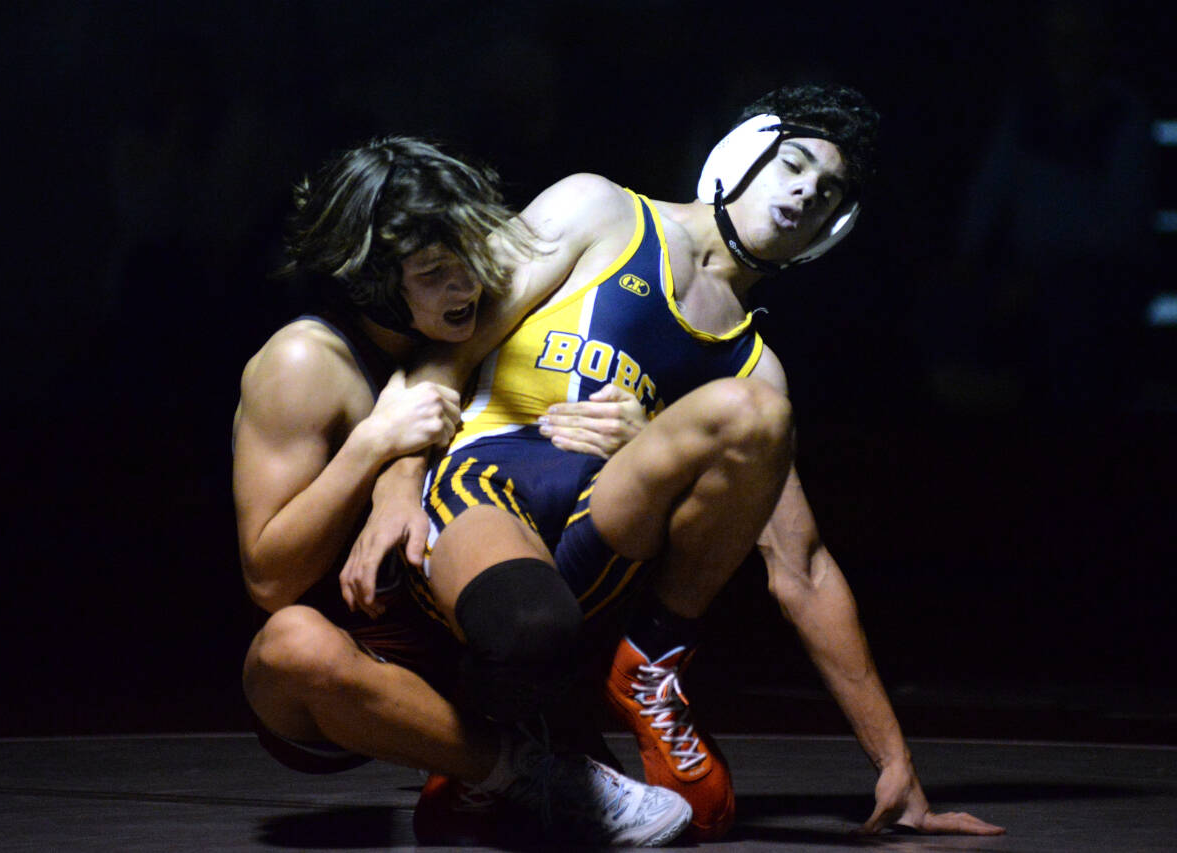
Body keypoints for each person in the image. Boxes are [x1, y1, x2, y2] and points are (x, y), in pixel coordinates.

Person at [346, 86, 1005, 841]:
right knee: (529, 626)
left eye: (828, 194)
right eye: (793, 165)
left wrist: (895, 763)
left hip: (603, 537)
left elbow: (803, 567)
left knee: (757, 411)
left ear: (835, 230)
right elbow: (443, 348)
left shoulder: (755, 369)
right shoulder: (599, 211)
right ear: (740, 152)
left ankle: (648, 662)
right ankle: (504, 736)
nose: (805, 195)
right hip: (488, 486)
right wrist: (395, 486)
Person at [234, 136, 693, 846]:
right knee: (289, 646)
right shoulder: (305, 364)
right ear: (372, 281)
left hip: (480, 633)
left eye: (473, 255)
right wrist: (371, 444)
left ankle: (539, 724)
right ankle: (527, 771)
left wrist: (642, 428)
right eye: (435, 272)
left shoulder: (485, 321)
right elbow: (268, 579)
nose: (469, 285)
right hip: (366, 669)